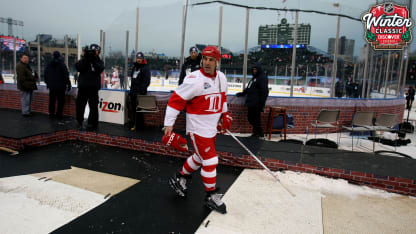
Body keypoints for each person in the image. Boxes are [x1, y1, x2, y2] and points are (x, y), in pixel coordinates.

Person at [163, 46, 231, 214]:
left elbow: (222, 99)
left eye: (211, 60)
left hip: (211, 128)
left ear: (217, 61)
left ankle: (181, 177)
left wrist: (225, 115)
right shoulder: (194, 79)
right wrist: (169, 124)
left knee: (199, 157)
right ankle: (210, 196)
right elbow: (175, 101)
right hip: (197, 128)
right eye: (205, 59)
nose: (207, 63)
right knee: (210, 160)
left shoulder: (222, 78)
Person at [75, 44, 104, 131]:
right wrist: (86, 59)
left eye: (95, 51)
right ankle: (79, 121)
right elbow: (78, 67)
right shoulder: (84, 60)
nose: (93, 53)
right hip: (83, 87)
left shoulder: (99, 61)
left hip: (93, 88)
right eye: (91, 51)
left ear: (98, 52)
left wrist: (94, 60)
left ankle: (92, 123)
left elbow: (100, 69)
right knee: (80, 105)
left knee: (94, 106)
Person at [236, 63, 269, 138]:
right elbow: (249, 88)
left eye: (256, 69)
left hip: (257, 103)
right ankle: (259, 132)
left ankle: (256, 133)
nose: (254, 71)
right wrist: (243, 93)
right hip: (251, 102)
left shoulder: (262, 78)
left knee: (255, 118)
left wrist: (262, 104)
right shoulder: (254, 78)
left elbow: (264, 92)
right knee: (251, 118)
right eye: (253, 69)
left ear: (259, 70)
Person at [44, 51, 71, 120]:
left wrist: (48, 83)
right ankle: (59, 114)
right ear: (59, 56)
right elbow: (66, 75)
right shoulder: (62, 64)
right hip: (61, 86)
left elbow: (45, 75)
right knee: (61, 101)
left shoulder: (49, 64)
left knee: (52, 101)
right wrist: (68, 84)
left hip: (52, 86)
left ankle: (51, 114)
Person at [129, 52, 151, 131]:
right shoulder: (135, 67)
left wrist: (140, 91)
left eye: (140, 58)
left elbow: (147, 81)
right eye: (138, 58)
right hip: (133, 92)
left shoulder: (145, 68)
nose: (139, 60)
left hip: (140, 93)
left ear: (143, 59)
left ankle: (139, 126)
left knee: (139, 111)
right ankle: (135, 124)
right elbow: (132, 79)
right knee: (134, 110)